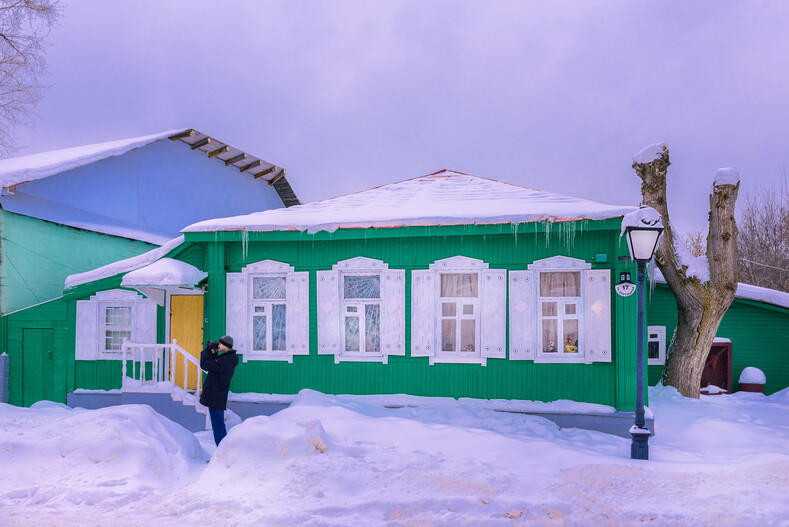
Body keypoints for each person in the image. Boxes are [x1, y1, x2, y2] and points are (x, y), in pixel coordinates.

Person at [199, 335, 238, 446]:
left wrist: (206, 350)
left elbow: (205, 365)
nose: (218, 345)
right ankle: (222, 452)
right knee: (218, 425)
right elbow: (213, 366)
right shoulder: (227, 359)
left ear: (226, 346)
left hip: (216, 396)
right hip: (217, 395)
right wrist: (214, 352)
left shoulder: (226, 360)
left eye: (220, 344)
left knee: (218, 426)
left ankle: (222, 454)